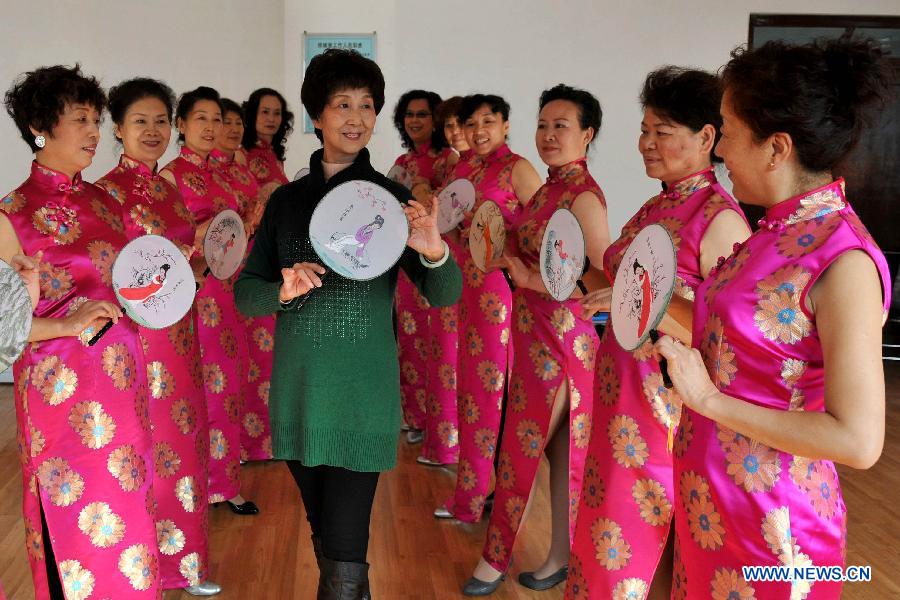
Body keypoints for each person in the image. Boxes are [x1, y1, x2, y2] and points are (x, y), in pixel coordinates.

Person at [655, 36, 892, 599]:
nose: (720, 154)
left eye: (729, 136)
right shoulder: (773, 229)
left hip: (776, 527)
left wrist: (709, 402)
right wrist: (653, 309)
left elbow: (859, 440)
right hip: (710, 495)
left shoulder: (843, 258)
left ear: (776, 147)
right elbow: (743, 344)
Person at [234, 48, 462, 598]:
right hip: (300, 394)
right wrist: (281, 291)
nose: (357, 117)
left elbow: (443, 291)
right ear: (317, 115)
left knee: (343, 549)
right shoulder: (286, 203)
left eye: (367, 105)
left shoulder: (392, 199)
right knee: (331, 544)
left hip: (363, 396)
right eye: (342, 104)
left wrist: (434, 250)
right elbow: (245, 294)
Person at [566, 67, 751, 599]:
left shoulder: (719, 220)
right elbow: (622, 289)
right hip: (620, 395)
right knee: (608, 534)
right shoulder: (658, 204)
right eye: (644, 129)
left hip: (660, 410)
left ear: (707, 139)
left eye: (662, 131)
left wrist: (650, 302)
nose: (646, 143)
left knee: (635, 543)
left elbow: (723, 338)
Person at [1, 64, 160, 599]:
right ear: (41, 127)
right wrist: (66, 323)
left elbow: (126, 285)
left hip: (122, 386)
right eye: (82, 119)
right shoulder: (12, 215)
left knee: (127, 509)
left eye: (97, 119)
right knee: (71, 517)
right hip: (56, 394)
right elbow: (2, 327)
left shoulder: (107, 204)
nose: (96, 132)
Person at [464, 84, 610, 595]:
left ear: (587, 134)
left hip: (562, 340)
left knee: (520, 450)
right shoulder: (547, 188)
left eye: (561, 126)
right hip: (531, 332)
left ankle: (494, 558)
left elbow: (598, 276)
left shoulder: (584, 195)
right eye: (543, 124)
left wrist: (533, 280)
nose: (548, 135)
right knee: (561, 455)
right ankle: (560, 557)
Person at [96, 76, 220, 596]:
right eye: (140, 121)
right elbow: (104, 273)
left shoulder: (167, 188)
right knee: (145, 452)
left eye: (160, 121)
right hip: (137, 342)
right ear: (118, 129)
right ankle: (145, 567)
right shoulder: (104, 193)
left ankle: (186, 565)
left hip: (182, 335)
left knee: (183, 445)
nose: (152, 131)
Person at [435, 94, 542, 523]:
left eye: (488, 122)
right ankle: (473, 495)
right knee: (472, 398)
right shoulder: (463, 168)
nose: (479, 131)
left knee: (496, 395)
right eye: (472, 123)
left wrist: (510, 247)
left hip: (501, 292)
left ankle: (494, 498)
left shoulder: (517, 168)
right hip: (467, 291)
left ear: (505, 125)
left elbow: (540, 227)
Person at [160, 87, 257, 515]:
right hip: (194, 297)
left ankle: (225, 479)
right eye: (201, 118)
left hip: (229, 293)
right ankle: (199, 482)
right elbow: (159, 244)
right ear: (181, 124)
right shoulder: (169, 177)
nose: (211, 127)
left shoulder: (223, 173)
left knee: (228, 385)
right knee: (198, 390)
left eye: (217, 119)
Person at [211, 97, 274, 463]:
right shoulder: (204, 174)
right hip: (223, 278)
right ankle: (235, 450)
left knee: (257, 358)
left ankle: (255, 442)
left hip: (254, 269)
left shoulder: (239, 168)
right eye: (224, 122)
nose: (232, 129)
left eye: (236, 122)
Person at [390, 89, 447, 445]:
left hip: (436, 259)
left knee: (436, 343)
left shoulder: (446, 161)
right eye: (409, 114)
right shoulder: (402, 162)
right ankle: (414, 417)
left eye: (422, 115)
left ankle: (438, 422)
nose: (415, 121)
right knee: (409, 341)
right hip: (404, 262)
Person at [417, 95, 471, 468]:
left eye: (462, 124)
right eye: (449, 125)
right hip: (446, 265)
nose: (457, 132)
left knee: (460, 365)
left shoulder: (457, 165)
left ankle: (452, 446)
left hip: (479, 282)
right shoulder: (461, 169)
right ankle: (445, 443)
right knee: (445, 358)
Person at [241, 87, 292, 202]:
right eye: (265, 112)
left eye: (277, 113)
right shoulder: (240, 155)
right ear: (252, 115)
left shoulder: (275, 154)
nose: (271, 119)